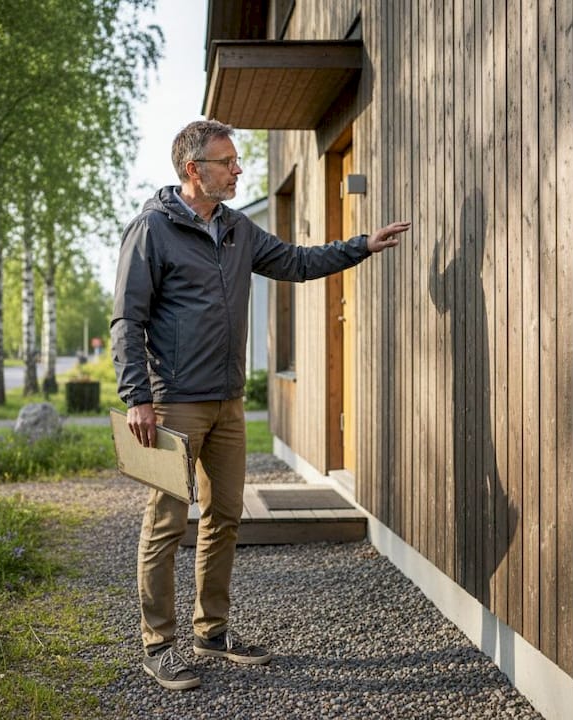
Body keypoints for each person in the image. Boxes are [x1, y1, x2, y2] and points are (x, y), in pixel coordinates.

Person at [111, 119, 411, 691]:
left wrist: (360, 247)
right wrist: (138, 398)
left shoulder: (238, 229)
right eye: (227, 161)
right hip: (172, 404)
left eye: (236, 160)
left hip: (227, 403)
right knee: (167, 523)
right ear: (193, 169)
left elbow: (295, 263)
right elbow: (129, 318)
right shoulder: (151, 229)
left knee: (225, 516)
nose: (238, 170)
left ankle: (212, 631)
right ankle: (158, 645)